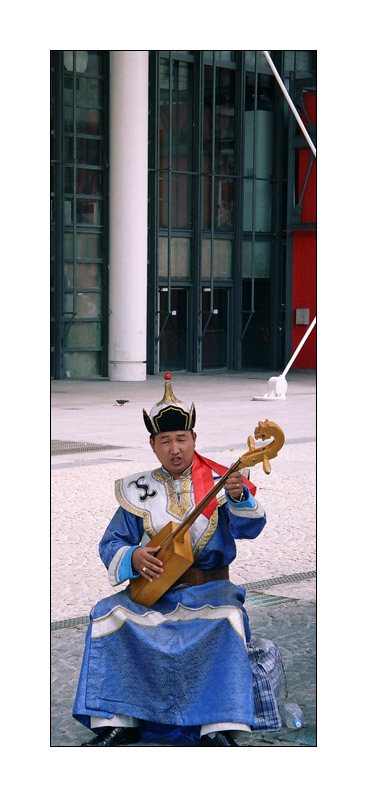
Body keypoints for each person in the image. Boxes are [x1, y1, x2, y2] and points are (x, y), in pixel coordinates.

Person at [73, 373, 267, 746]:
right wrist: (134, 557)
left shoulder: (219, 481)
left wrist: (240, 496)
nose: (175, 448)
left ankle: (218, 726)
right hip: (156, 593)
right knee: (106, 614)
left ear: (194, 439)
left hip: (210, 589)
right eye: (166, 441)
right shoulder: (138, 490)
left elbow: (250, 530)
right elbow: (111, 543)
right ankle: (118, 720)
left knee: (227, 619)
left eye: (182, 439)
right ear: (153, 445)